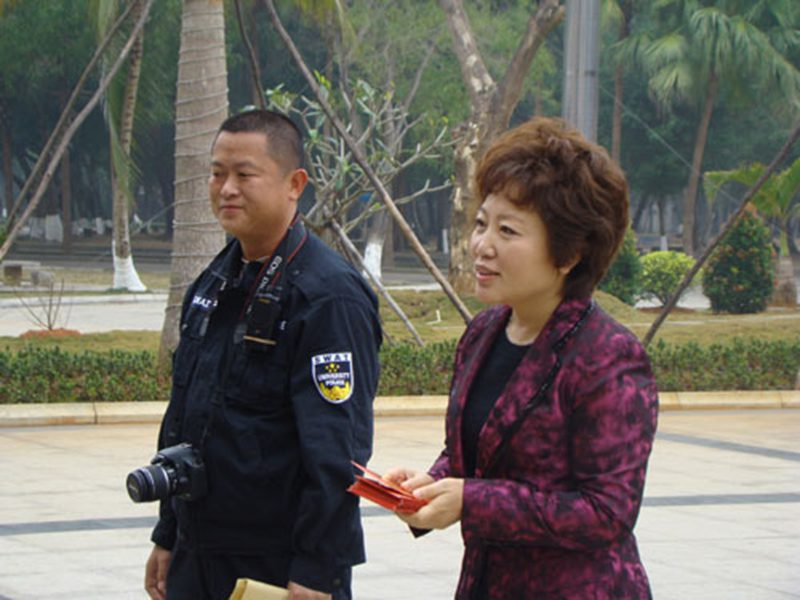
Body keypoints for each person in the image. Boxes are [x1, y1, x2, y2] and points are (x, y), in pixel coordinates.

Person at [386, 117, 659, 599]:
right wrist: (433, 483)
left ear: (569, 254)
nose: (481, 245)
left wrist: (472, 501)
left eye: (508, 230)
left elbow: (607, 513)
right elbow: (477, 454)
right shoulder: (483, 333)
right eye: (481, 224)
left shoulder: (608, 357)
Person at [143, 109, 382, 600]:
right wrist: (169, 533)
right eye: (217, 173)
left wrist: (317, 568)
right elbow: (184, 417)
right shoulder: (213, 282)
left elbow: (338, 452)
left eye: (244, 175)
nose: (226, 189)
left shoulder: (327, 297)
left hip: (277, 562)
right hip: (198, 551)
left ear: (295, 184)